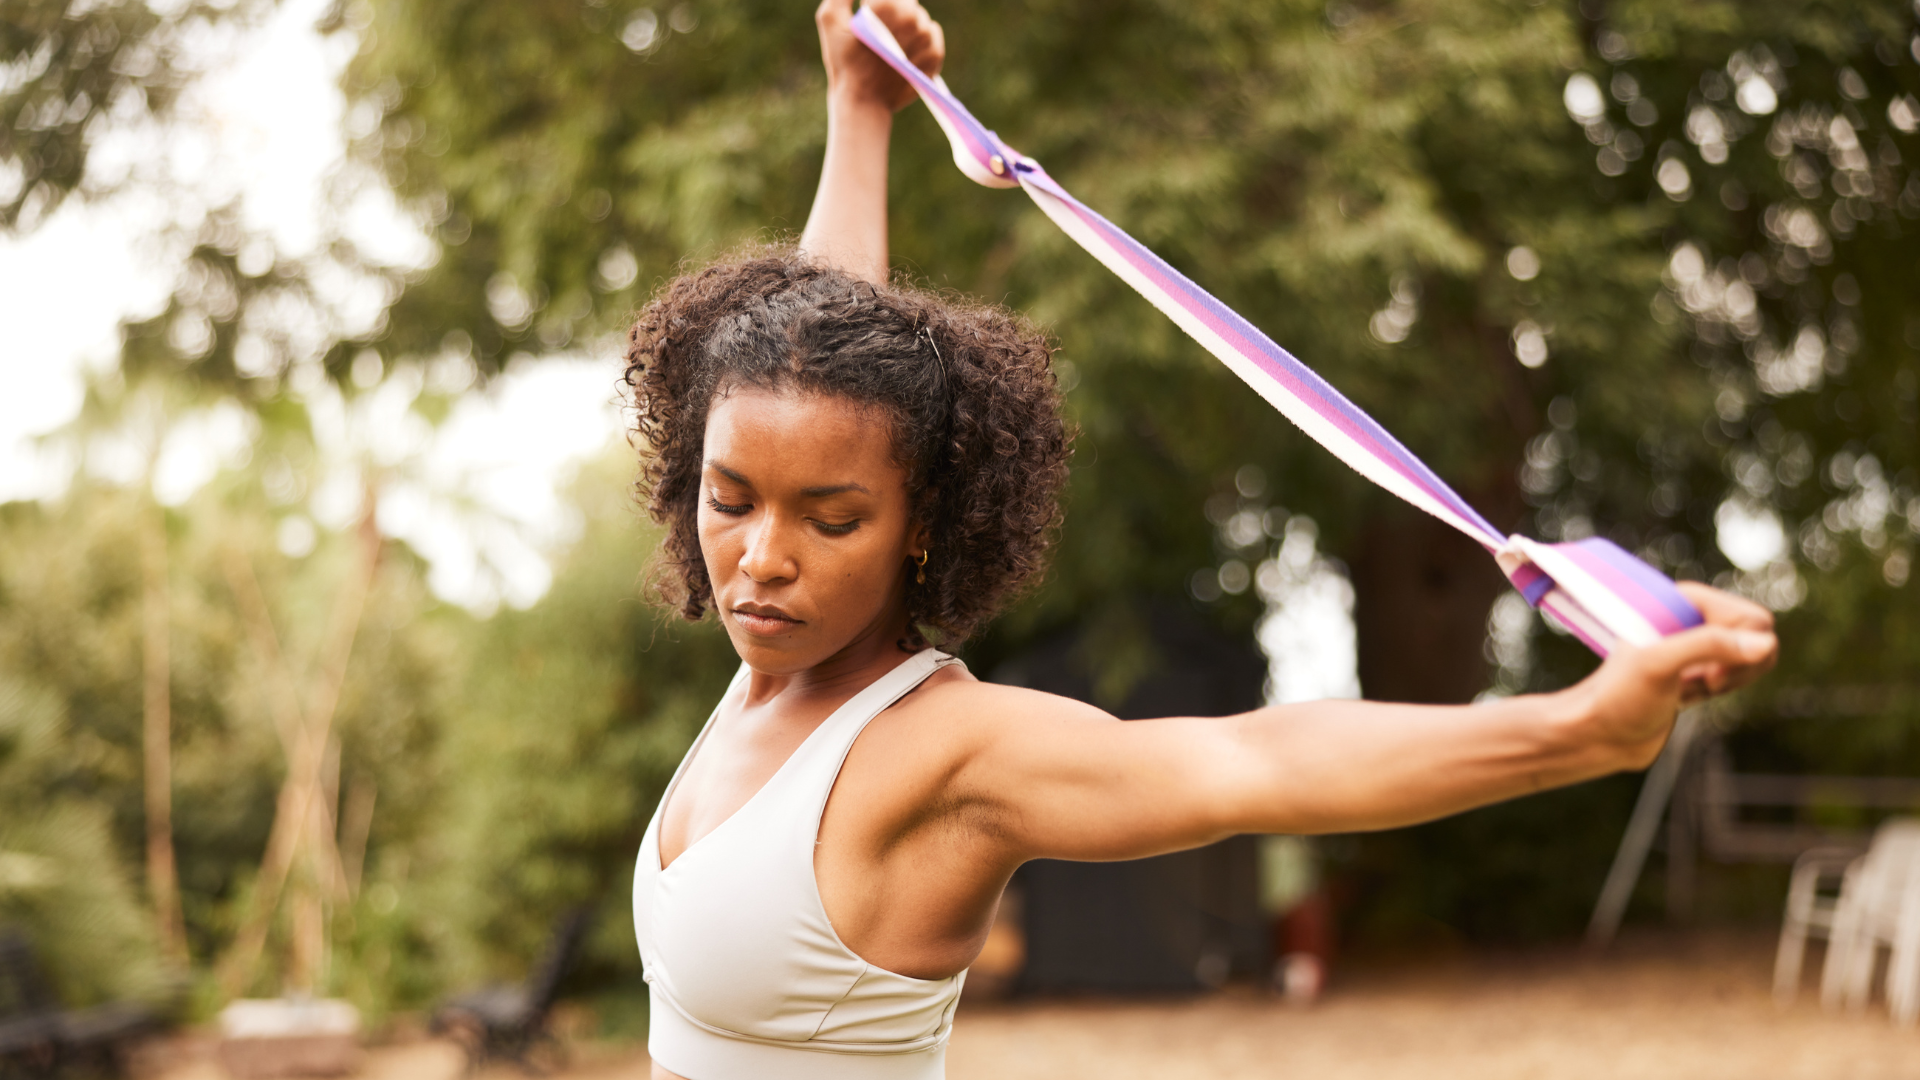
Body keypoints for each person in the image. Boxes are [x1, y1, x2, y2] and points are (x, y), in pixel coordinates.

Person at [625, 2, 1779, 1077]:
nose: (763, 556)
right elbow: (824, 376)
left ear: (920, 524)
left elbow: (1256, 763)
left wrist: (1577, 731)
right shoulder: (771, 668)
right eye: (729, 500)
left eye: (834, 521)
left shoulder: (945, 753)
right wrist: (860, 112)